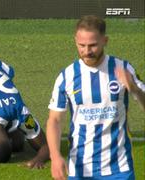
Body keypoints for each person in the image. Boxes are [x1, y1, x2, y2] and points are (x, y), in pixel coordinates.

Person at [46, 15, 145, 180]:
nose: (86, 51)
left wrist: (133, 88)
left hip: (119, 169)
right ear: (75, 41)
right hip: (80, 169)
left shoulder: (123, 68)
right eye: (81, 45)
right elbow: (54, 120)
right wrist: (55, 156)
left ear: (105, 41)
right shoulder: (67, 76)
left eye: (93, 45)